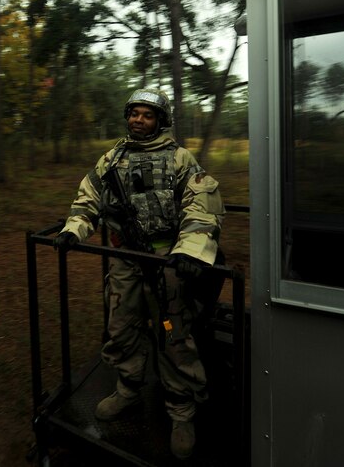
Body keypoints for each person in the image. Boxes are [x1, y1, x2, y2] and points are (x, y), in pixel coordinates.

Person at [53, 88, 225, 460]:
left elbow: (202, 203)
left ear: (160, 121)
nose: (138, 120)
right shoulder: (112, 159)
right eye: (134, 113)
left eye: (147, 115)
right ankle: (128, 389)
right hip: (124, 260)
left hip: (168, 262)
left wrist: (190, 251)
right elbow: (87, 199)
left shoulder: (180, 159)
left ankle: (182, 411)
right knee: (122, 324)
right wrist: (73, 230)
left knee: (172, 332)